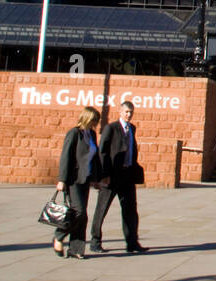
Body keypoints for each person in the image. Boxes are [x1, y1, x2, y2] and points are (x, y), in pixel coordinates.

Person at [91, 100, 148, 253]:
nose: (129, 115)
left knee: (130, 210)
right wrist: (104, 174)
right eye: (126, 112)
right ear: (120, 112)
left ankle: (132, 243)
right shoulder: (111, 128)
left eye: (131, 112)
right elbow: (102, 152)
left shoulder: (132, 129)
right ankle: (95, 241)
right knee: (101, 209)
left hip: (127, 176)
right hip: (111, 177)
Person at [54, 106, 103, 259]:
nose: (95, 123)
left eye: (97, 120)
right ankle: (59, 236)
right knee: (78, 212)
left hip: (85, 179)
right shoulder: (74, 133)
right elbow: (65, 157)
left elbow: (94, 158)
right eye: (94, 120)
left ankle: (76, 249)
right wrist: (61, 180)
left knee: (82, 215)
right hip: (73, 180)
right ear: (87, 118)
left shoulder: (92, 134)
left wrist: (96, 179)